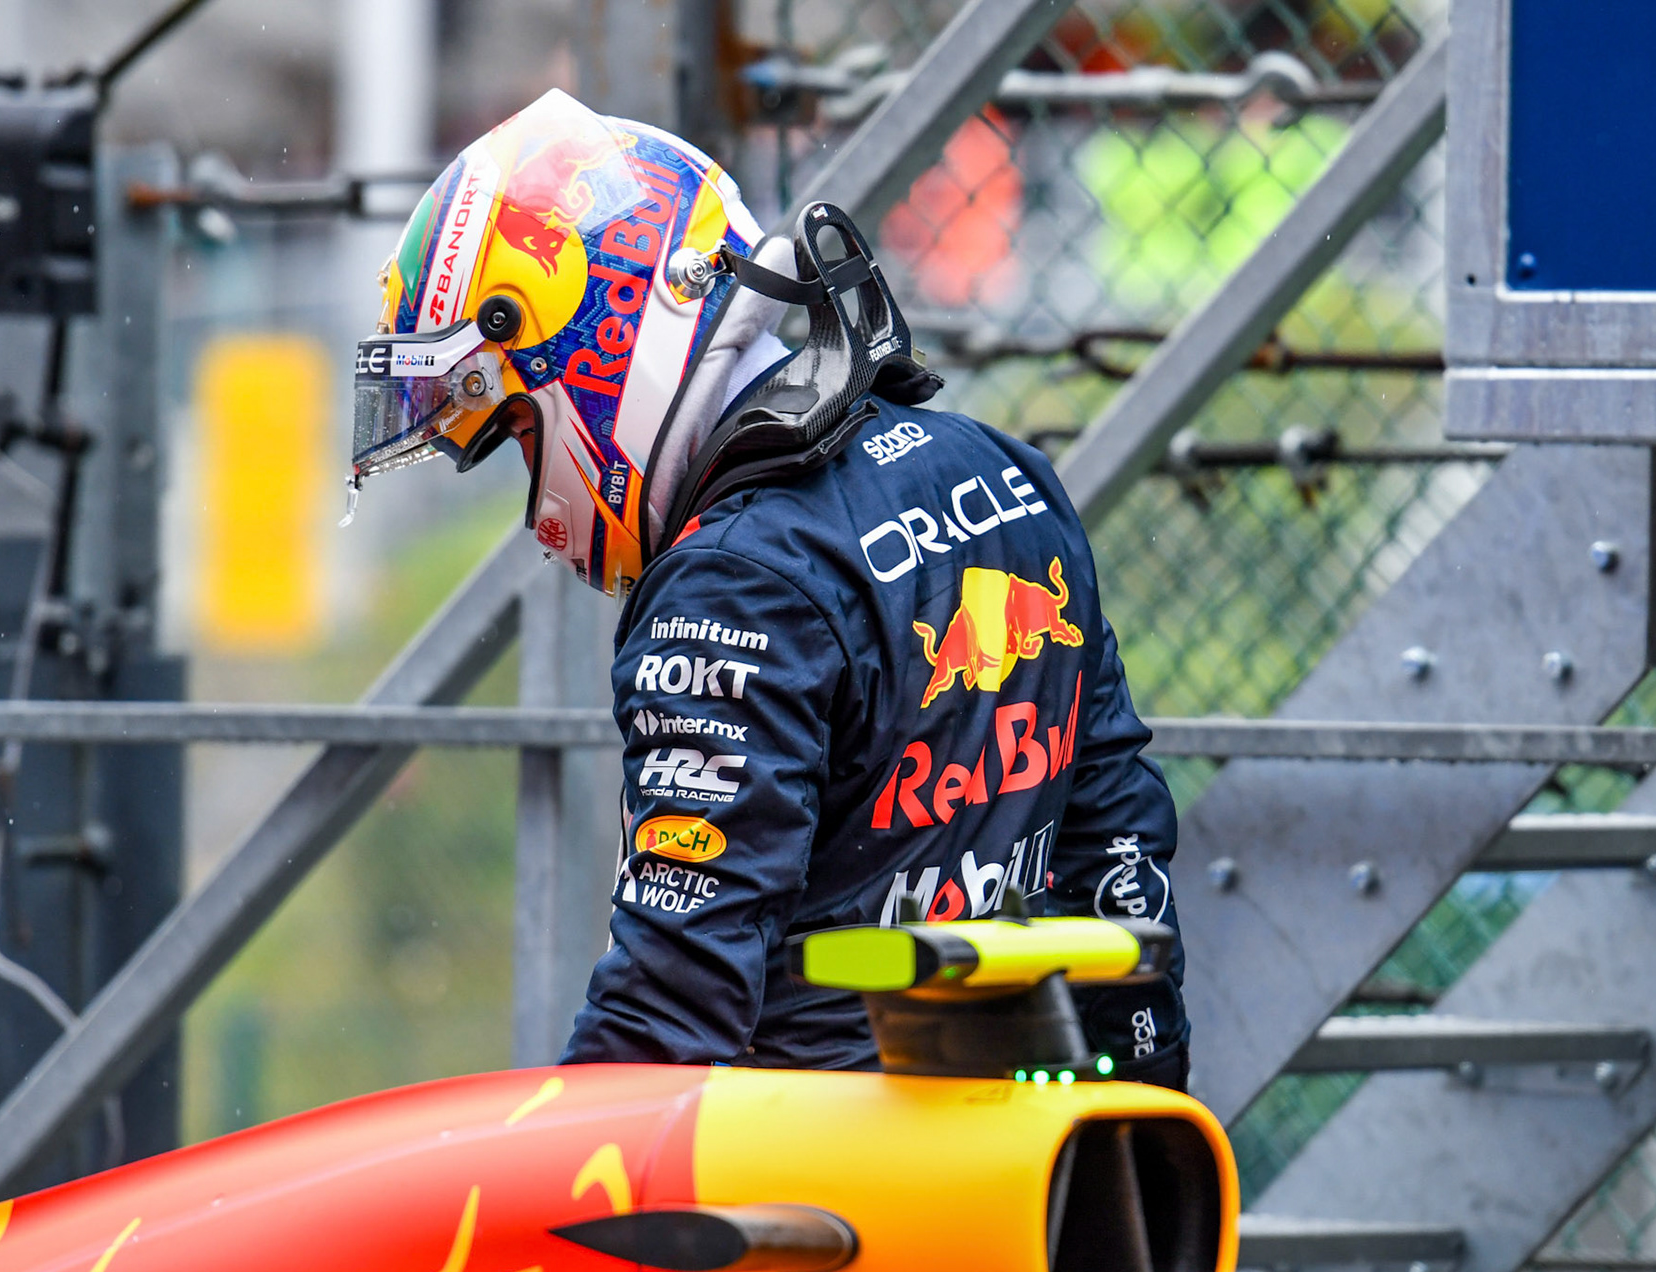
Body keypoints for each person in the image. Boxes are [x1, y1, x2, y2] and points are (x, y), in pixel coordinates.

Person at [348, 90, 1189, 1087]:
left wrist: (535, 1215)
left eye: (520, 433)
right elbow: (1119, 838)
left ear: (594, 342)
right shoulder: (996, 466)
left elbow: (670, 1004)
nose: (537, 510)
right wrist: (1137, 1118)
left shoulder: (731, 582)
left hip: (825, 1193)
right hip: (1050, 1157)